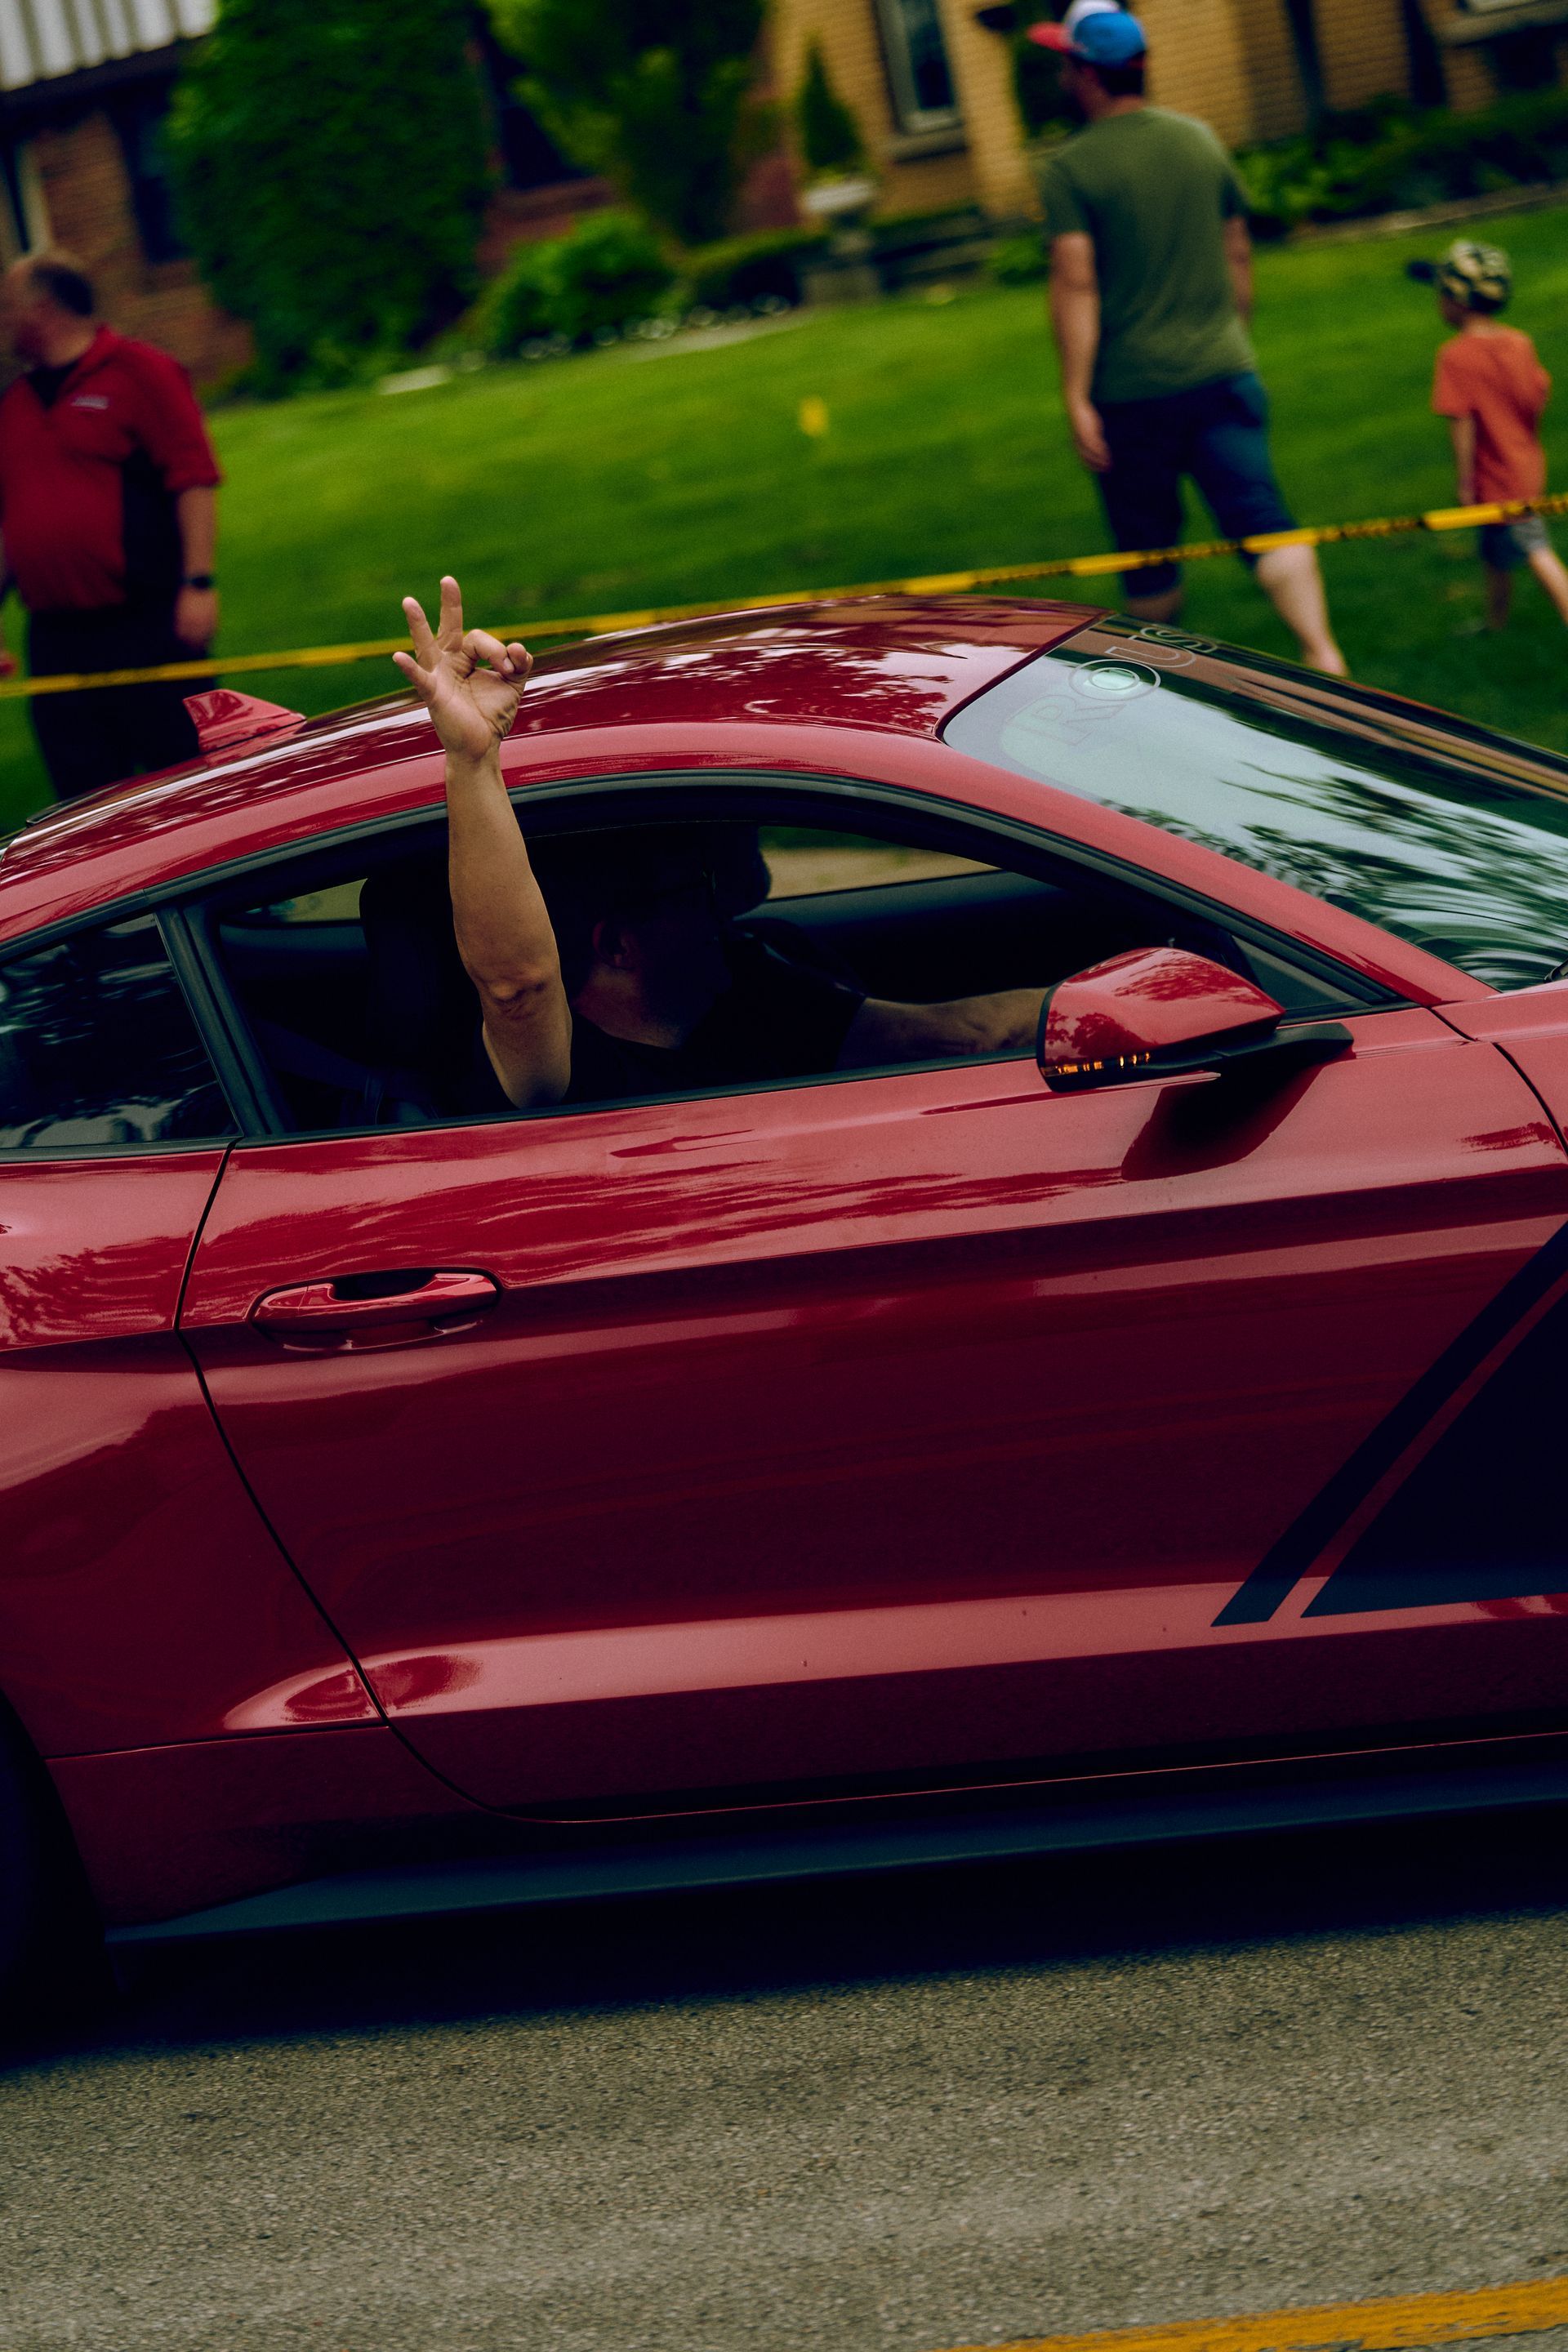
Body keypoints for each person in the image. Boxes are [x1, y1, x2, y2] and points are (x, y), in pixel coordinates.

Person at [391, 578, 1054, 1112]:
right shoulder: (568, 1077)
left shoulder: (745, 990)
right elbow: (518, 986)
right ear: (617, 945)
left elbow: (961, 1036)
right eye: (698, 890)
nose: (726, 911)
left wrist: (1084, 1008)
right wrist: (471, 761)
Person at [1033, 2, 1345, 675]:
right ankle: (1324, 652)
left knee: (1149, 553)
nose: (1061, 75)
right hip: (1222, 372)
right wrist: (1229, 336)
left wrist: (1077, 396)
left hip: (1131, 393)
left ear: (1087, 74)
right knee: (1264, 519)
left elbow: (1077, 282)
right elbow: (1238, 252)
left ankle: (1159, 684)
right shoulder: (1200, 140)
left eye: (1066, 63)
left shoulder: (1070, 168)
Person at [0, 251, 222, 800]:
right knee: (85, 803)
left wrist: (198, 583)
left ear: (42, 309)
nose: (2, 321)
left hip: (145, 623)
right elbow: (11, 522)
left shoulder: (140, 372)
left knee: (187, 787)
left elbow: (194, 479)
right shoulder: (14, 405)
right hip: (55, 639)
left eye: (7, 307)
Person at [1410, 239, 1568, 635]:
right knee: (1495, 552)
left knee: (1535, 549)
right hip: (1526, 462)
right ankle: (1495, 623)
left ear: (1456, 300)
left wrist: (1465, 481)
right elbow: (1537, 396)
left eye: (1441, 295)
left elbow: (1461, 422)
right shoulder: (1520, 343)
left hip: (1497, 477)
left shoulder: (1456, 355)